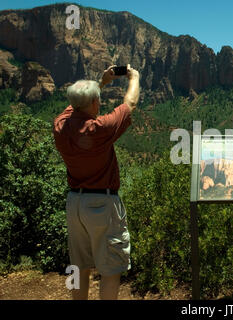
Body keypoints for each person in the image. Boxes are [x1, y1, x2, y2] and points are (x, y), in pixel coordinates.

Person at [53, 64, 140, 300]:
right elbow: (129, 105)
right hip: (102, 205)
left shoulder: (60, 125)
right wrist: (135, 78)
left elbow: (73, 108)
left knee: (79, 267)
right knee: (111, 269)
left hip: (75, 204)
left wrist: (100, 84)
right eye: (98, 99)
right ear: (94, 103)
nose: (100, 103)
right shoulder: (99, 129)